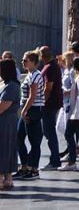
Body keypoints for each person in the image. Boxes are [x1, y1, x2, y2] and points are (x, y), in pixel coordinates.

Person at [15, 50, 44, 180]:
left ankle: (34, 169)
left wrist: (25, 110)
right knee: (19, 137)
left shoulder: (36, 75)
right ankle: (25, 166)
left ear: (33, 62)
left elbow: (33, 96)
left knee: (34, 140)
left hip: (33, 109)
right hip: (27, 109)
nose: (23, 62)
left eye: (25, 60)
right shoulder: (29, 74)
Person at [35, 46, 62, 172]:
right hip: (52, 103)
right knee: (49, 131)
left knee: (49, 131)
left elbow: (48, 87)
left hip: (49, 104)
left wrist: (42, 102)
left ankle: (54, 160)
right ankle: (55, 158)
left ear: (42, 56)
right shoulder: (52, 65)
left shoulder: (49, 67)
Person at [1, 58, 21, 190]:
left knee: (3, 148)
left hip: (5, 122)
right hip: (6, 121)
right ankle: (8, 177)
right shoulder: (7, 84)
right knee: (7, 148)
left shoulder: (11, 86)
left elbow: (3, 106)